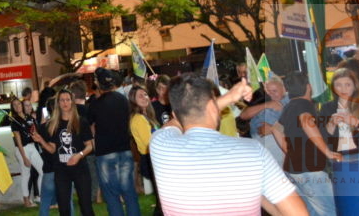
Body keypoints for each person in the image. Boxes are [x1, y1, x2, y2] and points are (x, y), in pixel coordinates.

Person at [151, 75, 304, 216]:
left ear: (175, 115)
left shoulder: (161, 145)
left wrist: (226, 98)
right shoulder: (254, 152)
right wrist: (230, 97)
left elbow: (175, 122)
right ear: (213, 108)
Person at [273, 71, 341, 216]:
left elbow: (276, 129)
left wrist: (288, 150)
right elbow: (306, 122)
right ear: (309, 87)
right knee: (332, 212)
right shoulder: (304, 105)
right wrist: (327, 152)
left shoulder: (289, 107)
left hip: (295, 169)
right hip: (311, 169)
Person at [31, 89, 94, 216]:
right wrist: (41, 141)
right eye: (62, 100)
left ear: (72, 102)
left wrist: (79, 155)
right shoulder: (54, 124)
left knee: (86, 206)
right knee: (64, 208)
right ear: (58, 103)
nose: (65, 103)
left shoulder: (81, 121)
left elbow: (90, 146)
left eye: (67, 100)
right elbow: (52, 149)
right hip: (61, 170)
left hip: (80, 168)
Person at [86, 68, 138, 216]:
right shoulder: (123, 100)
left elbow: (90, 126)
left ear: (98, 83)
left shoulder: (95, 104)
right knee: (129, 193)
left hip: (105, 153)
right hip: (124, 149)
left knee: (112, 195)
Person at [320, 68, 359, 154]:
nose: (343, 89)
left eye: (348, 85)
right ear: (333, 87)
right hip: (337, 158)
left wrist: (357, 123)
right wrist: (331, 124)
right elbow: (321, 140)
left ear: (355, 86)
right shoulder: (326, 108)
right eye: (338, 85)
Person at [239, 75, 288, 166]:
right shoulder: (267, 102)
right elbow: (243, 115)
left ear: (284, 89)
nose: (271, 94)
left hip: (278, 149)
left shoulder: (290, 102)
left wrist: (274, 129)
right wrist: (268, 104)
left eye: (274, 91)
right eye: (268, 92)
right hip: (262, 150)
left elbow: (300, 125)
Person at [127, 85, 161, 216]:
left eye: (145, 94)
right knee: (160, 201)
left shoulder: (148, 116)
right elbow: (149, 142)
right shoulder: (138, 119)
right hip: (150, 159)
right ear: (133, 100)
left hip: (153, 158)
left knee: (161, 201)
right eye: (140, 96)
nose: (144, 97)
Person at [8, 98, 41, 208]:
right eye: (15, 105)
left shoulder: (29, 117)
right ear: (13, 108)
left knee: (43, 170)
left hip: (32, 147)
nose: (18, 106)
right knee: (26, 175)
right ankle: (26, 200)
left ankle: (42, 196)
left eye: (18, 104)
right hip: (22, 149)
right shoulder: (14, 121)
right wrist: (24, 157)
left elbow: (34, 132)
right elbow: (18, 140)